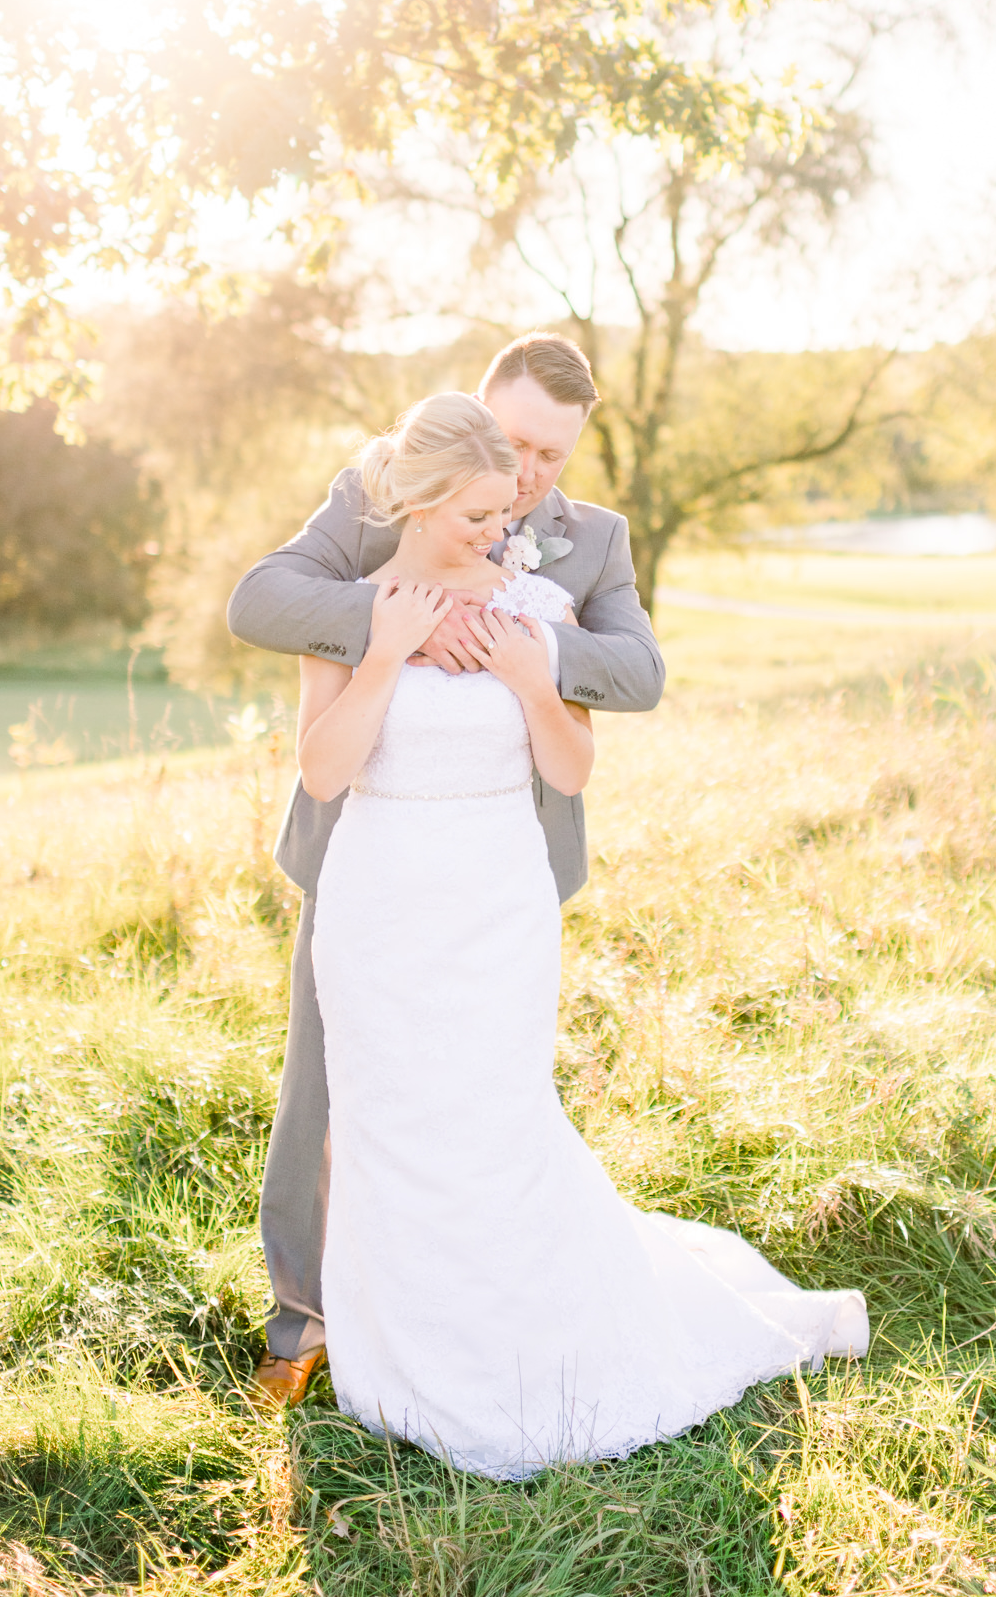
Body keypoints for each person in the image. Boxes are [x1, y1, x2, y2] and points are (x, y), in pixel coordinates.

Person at [267, 388, 869, 1477]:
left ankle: (516, 1348)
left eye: (505, 515)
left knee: (491, 1123)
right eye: (474, 518)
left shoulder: (537, 605)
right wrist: (384, 653)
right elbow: (321, 770)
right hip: (378, 902)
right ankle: (398, 1358)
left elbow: (572, 767)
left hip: (495, 900)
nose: (495, 534)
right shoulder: (352, 605)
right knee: (386, 1125)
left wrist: (529, 679)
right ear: (413, 497)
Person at [226, 333, 667, 1405]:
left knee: (474, 1100)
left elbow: (640, 675)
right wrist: (405, 630)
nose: (524, 479)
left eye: (550, 458)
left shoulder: (591, 544)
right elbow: (264, 601)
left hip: (498, 868)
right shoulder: (382, 495)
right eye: (513, 443)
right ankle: (306, 1320)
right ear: (473, 415)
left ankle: (470, 1298)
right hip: (367, 857)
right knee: (328, 1092)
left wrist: (532, 653)